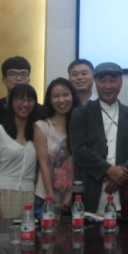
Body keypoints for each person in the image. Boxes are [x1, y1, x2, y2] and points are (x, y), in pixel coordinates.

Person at [69, 62, 128, 213]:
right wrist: (107, 170)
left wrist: (121, 175)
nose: (107, 86)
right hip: (92, 185)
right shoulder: (81, 114)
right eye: (102, 80)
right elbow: (79, 150)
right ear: (95, 82)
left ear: (121, 82)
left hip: (126, 187)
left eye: (113, 80)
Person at [0, 83, 39, 221]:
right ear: (11, 101)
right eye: (20, 99)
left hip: (28, 196)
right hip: (3, 195)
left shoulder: (36, 133)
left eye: (30, 100)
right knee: (2, 234)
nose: (25, 104)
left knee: (26, 233)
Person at [33, 78, 82, 212]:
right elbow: (44, 164)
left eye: (66, 95)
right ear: (50, 100)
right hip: (45, 196)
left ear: (72, 96)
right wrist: (51, 196)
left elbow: (83, 165)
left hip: (76, 196)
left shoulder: (81, 125)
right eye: (56, 96)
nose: (62, 100)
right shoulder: (42, 126)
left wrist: (71, 195)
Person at [0, 56, 31, 127]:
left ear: (28, 81)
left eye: (23, 74)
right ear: (4, 80)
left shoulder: (38, 110)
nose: (18, 78)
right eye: (13, 74)